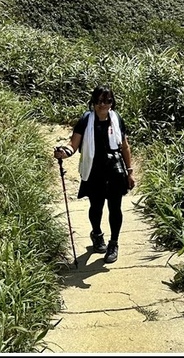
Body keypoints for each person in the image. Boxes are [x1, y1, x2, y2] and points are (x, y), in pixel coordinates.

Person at [54, 85, 135, 264]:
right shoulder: (86, 119)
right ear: (93, 102)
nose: (103, 105)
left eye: (107, 101)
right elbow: (73, 145)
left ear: (112, 103)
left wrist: (130, 172)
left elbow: (124, 146)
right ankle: (97, 234)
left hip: (115, 169)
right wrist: (64, 152)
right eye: (99, 101)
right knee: (96, 207)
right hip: (94, 169)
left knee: (115, 208)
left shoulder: (117, 119)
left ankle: (114, 243)